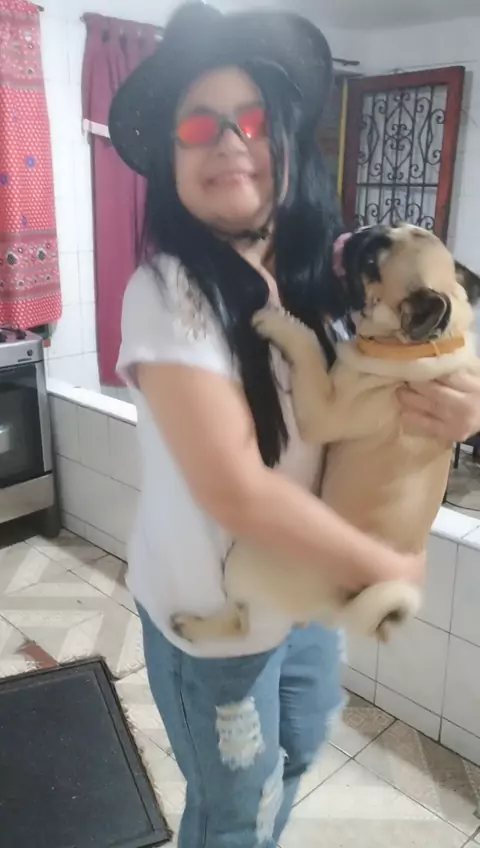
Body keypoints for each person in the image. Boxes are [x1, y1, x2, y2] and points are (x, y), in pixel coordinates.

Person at [109, 5, 480, 846]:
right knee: (233, 814)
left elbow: (418, 356)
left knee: (298, 755)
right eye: (199, 125)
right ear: (170, 159)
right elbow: (236, 491)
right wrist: (381, 565)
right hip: (216, 621)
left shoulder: (331, 274)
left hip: (305, 603)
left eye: (252, 120)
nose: (229, 142)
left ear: (284, 142)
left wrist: (464, 409)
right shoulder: (167, 292)